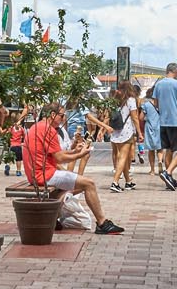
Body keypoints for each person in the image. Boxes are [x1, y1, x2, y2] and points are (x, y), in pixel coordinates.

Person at [23, 103, 124, 234]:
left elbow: (55, 155)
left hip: (38, 174)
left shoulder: (39, 127)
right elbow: (59, 158)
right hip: (44, 175)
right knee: (89, 184)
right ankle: (102, 223)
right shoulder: (48, 129)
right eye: (62, 115)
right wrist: (80, 154)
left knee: (76, 187)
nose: (64, 118)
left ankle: (52, 218)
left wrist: (74, 151)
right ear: (52, 115)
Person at [151, 63, 177, 187]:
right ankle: (168, 172)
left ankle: (170, 179)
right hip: (176, 121)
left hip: (163, 121)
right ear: (176, 71)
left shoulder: (158, 84)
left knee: (168, 149)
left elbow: (155, 103)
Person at [107, 85, 139, 193]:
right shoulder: (131, 100)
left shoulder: (115, 100)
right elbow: (134, 117)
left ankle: (128, 181)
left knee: (121, 157)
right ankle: (115, 182)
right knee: (123, 157)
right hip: (126, 131)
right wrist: (139, 132)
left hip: (116, 131)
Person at [140, 84, 164, 182]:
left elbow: (141, 118)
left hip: (150, 127)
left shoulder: (146, 104)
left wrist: (147, 118)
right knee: (160, 148)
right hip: (160, 127)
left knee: (151, 150)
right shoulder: (162, 103)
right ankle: (160, 161)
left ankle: (152, 170)